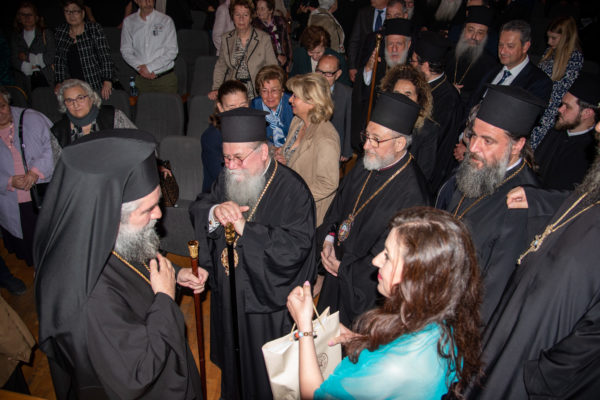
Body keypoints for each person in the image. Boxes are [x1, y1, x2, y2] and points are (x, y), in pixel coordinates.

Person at [35, 130, 205, 399]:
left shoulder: (102, 234)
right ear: (109, 216)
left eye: (158, 203)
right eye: (147, 209)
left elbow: (135, 262)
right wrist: (164, 297)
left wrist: (175, 274)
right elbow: (136, 375)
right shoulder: (90, 297)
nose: (159, 214)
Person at [466, 119, 600, 399]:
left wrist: (546, 374)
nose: (597, 129)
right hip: (512, 327)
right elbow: (581, 201)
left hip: (537, 356)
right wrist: (542, 200)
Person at [288, 207, 482, 399]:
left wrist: (305, 328)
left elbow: (313, 395)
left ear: (416, 276)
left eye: (388, 256)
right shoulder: (442, 321)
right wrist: (358, 340)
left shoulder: (394, 368)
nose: (376, 261)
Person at [189, 108, 317, 399]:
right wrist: (214, 211)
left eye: (238, 158)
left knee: (262, 378)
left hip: (264, 306)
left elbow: (296, 247)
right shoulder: (227, 177)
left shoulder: (293, 191)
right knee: (233, 373)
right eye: (226, 158)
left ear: (263, 151)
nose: (231, 166)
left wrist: (247, 229)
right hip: (229, 296)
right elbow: (200, 205)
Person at [317, 92, 431, 326]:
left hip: (362, 291)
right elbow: (339, 207)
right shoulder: (368, 162)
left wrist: (346, 270)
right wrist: (329, 238)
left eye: (376, 139)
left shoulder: (414, 196)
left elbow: (392, 256)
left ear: (400, 144)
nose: (366, 145)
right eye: (367, 136)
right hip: (335, 268)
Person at [436, 85, 545, 325]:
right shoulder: (477, 167)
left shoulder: (522, 204)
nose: (473, 148)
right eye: (473, 135)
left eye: (488, 141)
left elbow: (491, 293)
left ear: (517, 145)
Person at [0, 86, 54, 268]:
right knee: (31, 248)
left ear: (8, 103)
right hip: (12, 202)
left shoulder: (32, 118)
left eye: (2, 106)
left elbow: (54, 146)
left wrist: (35, 171)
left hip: (43, 193)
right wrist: (8, 181)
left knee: (53, 239)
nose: (0, 113)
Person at [276, 73, 340, 225]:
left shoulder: (326, 139)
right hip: (290, 204)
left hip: (308, 212)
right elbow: (292, 154)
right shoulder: (297, 122)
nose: (290, 100)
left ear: (311, 101)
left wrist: (295, 195)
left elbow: (328, 184)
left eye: (295, 96)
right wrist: (282, 158)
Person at [411, 30, 464, 191]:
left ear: (425, 65)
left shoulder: (448, 100)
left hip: (424, 175)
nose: (411, 65)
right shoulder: (421, 86)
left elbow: (438, 149)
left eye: (413, 61)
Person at [535, 73, 599, 191]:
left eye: (567, 107)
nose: (560, 109)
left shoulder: (590, 153)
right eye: (562, 104)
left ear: (587, 113)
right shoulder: (557, 130)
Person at [380, 64, 441, 186]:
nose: (401, 99)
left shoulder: (428, 130)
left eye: (407, 95)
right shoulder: (381, 120)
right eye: (397, 93)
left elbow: (423, 174)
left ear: (419, 99)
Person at [470, 20, 552, 109]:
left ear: (525, 47)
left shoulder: (539, 82)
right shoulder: (491, 68)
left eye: (510, 46)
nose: (502, 51)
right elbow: (471, 103)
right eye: (500, 45)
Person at [530, 16, 584, 149]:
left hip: (551, 111)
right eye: (548, 37)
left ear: (566, 37)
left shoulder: (574, 58)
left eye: (554, 38)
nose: (549, 42)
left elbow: (561, 92)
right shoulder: (549, 52)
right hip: (537, 103)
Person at [209, 0, 278, 100]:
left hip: (257, 92)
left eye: (245, 15)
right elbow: (221, 67)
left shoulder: (264, 38)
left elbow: (273, 68)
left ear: (251, 17)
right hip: (233, 91)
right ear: (232, 17)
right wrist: (216, 88)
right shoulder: (226, 38)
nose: (241, 19)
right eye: (237, 15)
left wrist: (269, 91)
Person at [54, 0, 114, 100]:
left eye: (75, 11)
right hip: (72, 84)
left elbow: (105, 56)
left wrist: (107, 80)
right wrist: (59, 82)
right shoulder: (60, 32)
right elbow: (59, 60)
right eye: (67, 11)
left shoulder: (93, 29)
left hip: (95, 81)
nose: (71, 15)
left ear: (82, 13)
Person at [51, 78, 135, 148]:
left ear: (91, 98)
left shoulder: (113, 116)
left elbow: (135, 143)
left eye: (80, 98)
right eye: (69, 100)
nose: (75, 104)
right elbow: (58, 162)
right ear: (64, 104)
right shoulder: (58, 131)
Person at [121, 0, 179, 94]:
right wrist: (140, 68)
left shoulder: (166, 20)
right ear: (137, 1)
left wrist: (149, 68)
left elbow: (172, 51)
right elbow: (126, 50)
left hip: (164, 79)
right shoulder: (129, 22)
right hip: (142, 79)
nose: (148, 2)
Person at [201, 80, 249, 192]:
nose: (239, 112)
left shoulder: (254, 128)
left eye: (243, 105)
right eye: (232, 107)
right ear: (220, 107)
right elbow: (223, 180)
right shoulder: (212, 137)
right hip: (221, 196)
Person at [445, 6, 498, 106]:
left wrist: (459, 94)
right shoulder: (448, 51)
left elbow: (482, 95)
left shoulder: (490, 64)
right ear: (464, 30)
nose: (474, 37)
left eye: (480, 33)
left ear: (486, 36)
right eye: (470, 30)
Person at [10, 1, 56, 95]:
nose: (27, 18)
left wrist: (27, 57)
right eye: (23, 15)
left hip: (46, 79)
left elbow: (51, 56)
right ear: (19, 18)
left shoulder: (46, 33)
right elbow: (14, 60)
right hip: (25, 82)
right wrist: (30, 66)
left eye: (30, 14)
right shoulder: (15, 37)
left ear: (36, 17)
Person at [316, 54, 353, 161]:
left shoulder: (346, 93)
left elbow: (349, 123)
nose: (322, 78)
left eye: (328, 74)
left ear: (338, 74)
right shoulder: (308, 89)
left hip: (334, 148)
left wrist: (346, 151)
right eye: (319, 72)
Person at [250, 65, 293, 148]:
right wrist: (270, 147)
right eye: (264, 91)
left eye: (274, 90)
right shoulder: (254, 107)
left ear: (282, 90)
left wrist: (284, 149)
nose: (270, 96)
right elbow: (253, 137)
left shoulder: (292, 104)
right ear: (259, 91)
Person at [346, 0, 388, 83]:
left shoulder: (394, 12)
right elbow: (354, 41)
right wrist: (352, 67)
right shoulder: (364, 13)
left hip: (384, 67)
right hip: (363, 65)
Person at [252, 0, 293, 71]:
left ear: (270, 10)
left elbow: (288, 43)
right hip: (266, 64)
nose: (258, 11)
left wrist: (288, 62)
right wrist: (276, 56)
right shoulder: (255, 26)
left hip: (284, 62)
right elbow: (258, 49)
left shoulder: (280, 21)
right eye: (257, 8)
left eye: (262, 9)